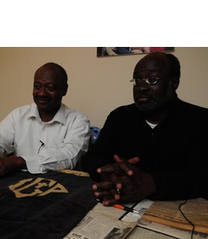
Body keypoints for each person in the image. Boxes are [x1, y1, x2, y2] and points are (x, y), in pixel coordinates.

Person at [83, 52, 208, 206]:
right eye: (137, 80)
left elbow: (202, 176)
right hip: (122, 206)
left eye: (152, 80)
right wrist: (109, 172)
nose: (141, 87)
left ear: (174, 83)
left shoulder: (201, 120)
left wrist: (152, 183)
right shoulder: (119, 117)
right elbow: (94, 156)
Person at [0, 62, 90, 178]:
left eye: (50, 87)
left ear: (64, 90)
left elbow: (69, 156)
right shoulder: (18, 115)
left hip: (62, 187)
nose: (42, 93)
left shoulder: (78, 120)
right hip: (19, 184)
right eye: (37, 86)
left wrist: (20, 161)